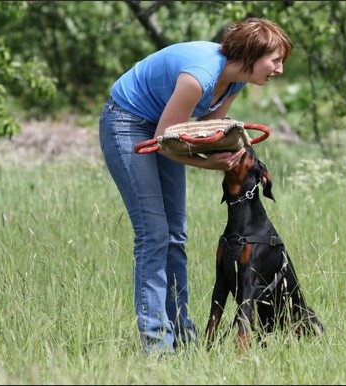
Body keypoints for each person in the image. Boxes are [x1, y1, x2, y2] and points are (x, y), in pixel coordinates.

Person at [99, 17, 293, 354]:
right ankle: (157, 347)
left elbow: (204, 133)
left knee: (176, 235)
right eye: (275, 60)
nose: (278, 69)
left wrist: (232, 153)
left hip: (165, 128)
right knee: (154, 234)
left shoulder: (236, 81)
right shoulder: (198, 78)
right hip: (127, 123)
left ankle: (182, 337)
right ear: (250, 55)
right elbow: (164, 141)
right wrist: (210, 164)